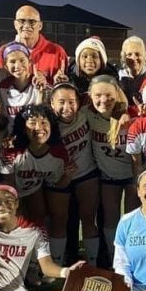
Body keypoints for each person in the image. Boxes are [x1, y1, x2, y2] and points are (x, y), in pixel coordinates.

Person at [0, 104, 71, 265]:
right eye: (32, 122)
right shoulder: (12, 151)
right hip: (10, 192)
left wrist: (67, 176)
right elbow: (8, 186)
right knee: (16, 222)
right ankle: (17, 264)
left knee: (41, 220)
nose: (39, 127)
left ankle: (47, 262)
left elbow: (58, 184)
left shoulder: (58, 153)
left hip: (33, 189)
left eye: (44, 122)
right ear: (23, 128)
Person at [48, 83, 101, 266]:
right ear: (52, 103)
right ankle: (55, 265)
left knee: (88, 217)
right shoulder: (47, 125)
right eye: (61, 102)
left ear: (79, 102)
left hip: (86, 173)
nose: (67, 107)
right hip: (58, 177)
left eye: (71, 101)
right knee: (59, 219)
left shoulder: (84, 113)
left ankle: (92, 263)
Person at [87, 75, 138, 260]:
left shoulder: (132, 115)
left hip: (132, 175)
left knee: (132, 219)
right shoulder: (88, 114)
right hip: (108, 176)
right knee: (111, 218)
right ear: (90, 96)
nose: (103, 100)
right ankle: (112, 256)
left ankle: (131, 256)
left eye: (109, 95)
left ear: (117, 93)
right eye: (98, 95)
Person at [0, 4, 68, 83]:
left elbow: (65, 87)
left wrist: (57, 85)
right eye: (21, 21)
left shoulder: (57, 51)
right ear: (15, 24)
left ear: (40, 26)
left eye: (32, 22)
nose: (26, 26)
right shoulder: (5, 51)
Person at [0, 42, 48, 127]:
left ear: (29, 62)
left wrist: (41, 93)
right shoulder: (3, 86)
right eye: (12, 62)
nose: (17, 66)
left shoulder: (40, 83)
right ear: (5, 66)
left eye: (22, 60)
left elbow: (43, 115)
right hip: (13, 136)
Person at [117, 35, 146, 105]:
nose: (133, 58)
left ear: (144, 55)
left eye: (137, 54)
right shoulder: (118, 79)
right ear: (124, 57)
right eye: (129, 54)